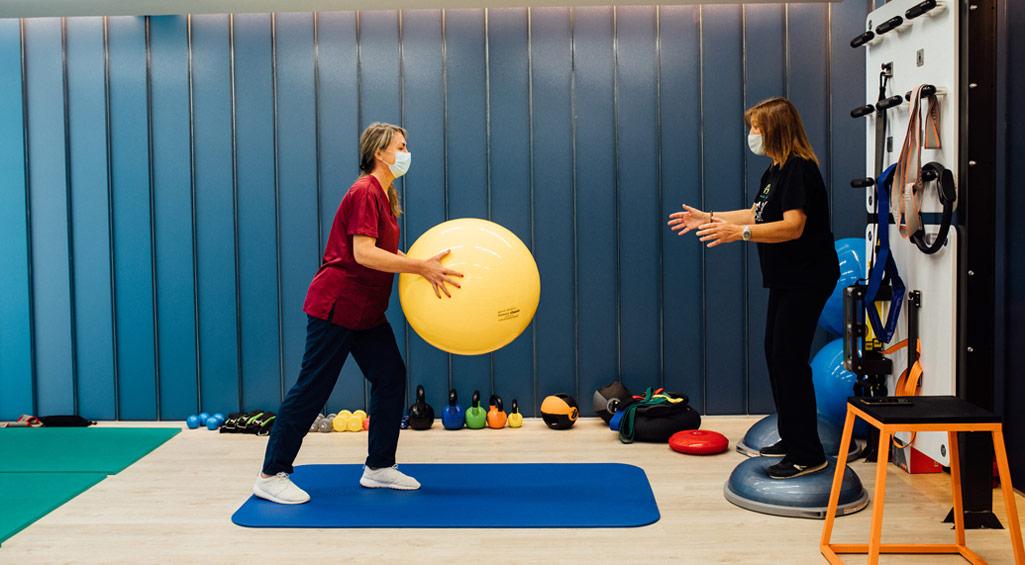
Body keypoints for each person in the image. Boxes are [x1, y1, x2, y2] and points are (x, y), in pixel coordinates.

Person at [253, 123, 463, 504]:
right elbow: (363, 253)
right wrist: (420, 269)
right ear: (380, 153)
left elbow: (382, 250)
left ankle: (379, 468)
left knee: (391, 376)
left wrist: (418, 262)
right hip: (337, 305)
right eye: (401, 146)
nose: (406, 153)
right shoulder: (364, 190)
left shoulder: (385, 195)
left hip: (365, 311)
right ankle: (271, 474)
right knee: (312, 389)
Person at [667, 97, 840, 479]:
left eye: (757, 128)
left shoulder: (800, 170)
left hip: (807, 278)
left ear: (776, 128)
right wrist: (708, 217)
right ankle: (794, 437)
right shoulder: (774, 172)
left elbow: (793, 226)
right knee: (777, 355)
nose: (752, 135)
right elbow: (758, 214)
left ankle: (807, 454)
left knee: (789, 359)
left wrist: (739, 234)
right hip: (786, 279)